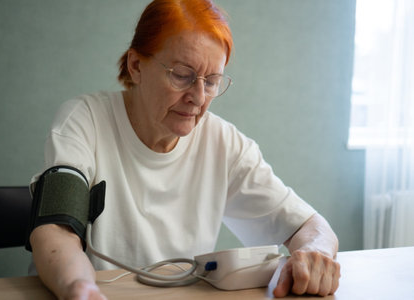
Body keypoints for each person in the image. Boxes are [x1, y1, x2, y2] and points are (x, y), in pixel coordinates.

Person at [28, 0, 340, 299]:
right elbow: (55, 230)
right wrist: (80, 289)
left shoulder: (223, 144)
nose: (198, 96)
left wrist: (316, 254)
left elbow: (310, 226)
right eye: (182, 76)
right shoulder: (85, 120)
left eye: (212, 81)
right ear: (136, 65)